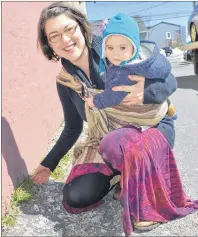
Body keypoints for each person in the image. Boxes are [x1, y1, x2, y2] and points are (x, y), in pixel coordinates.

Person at [32, 2, 198, 237]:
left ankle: (141, 184)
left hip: (149, 128)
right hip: (108, 141)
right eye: (55, 36)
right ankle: (122, 174)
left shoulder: (114, 47)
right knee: (77, 196)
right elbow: (72, 127)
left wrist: (147, 91)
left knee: (124, 143)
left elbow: (169, 81)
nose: (65, 40)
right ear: (49, 44)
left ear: (81, 27)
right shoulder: (65, 81)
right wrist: (48, 164)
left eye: (69, 29)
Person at [85, 13, 176, 121]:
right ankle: (170, 108)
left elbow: (113, 96)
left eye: (122, 48)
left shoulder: (124, 72)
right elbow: (166, 74)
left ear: (134, 47)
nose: (116, 54)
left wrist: (94, 101)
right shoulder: (146, 59)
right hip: (157, 104)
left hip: (142, 116)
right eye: (110, 48)